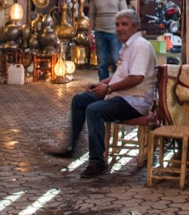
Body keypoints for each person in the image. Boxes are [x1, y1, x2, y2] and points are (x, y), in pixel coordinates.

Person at [48, 9, 157, 178]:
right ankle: (71, 148)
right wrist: (102, 83)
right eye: (117, 25)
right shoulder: (128, 46)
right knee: (80, 100)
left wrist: (108, 89)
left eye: (124, 24)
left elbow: (136, 78)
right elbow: (120, 75)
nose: (120, 28)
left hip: (134, 101)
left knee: (95, 110)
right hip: (119, 95)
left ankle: (97, 162)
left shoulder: (140, 46)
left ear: (135, 27)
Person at [90, 0, 127, 81]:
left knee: (116, 60)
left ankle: (116, 83)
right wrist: (89, 33)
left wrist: (124, 32)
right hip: (100, 33)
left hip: (115, 33)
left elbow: (124, 15)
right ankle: (103, 85)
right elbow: (91, 16)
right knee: (102, 62)